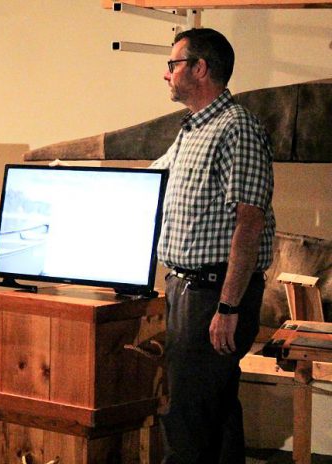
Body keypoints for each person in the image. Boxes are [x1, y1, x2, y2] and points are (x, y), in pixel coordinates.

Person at [150, 29, 276, 464]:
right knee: (215, 413)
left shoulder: (236, 128)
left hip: (211, 294)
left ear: (199, 69)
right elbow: (152, 179)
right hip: (189, 291)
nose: (165, 74)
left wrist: (227, 308)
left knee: (188, 418)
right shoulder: (192, 130)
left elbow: (249, 223)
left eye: (172, 64)